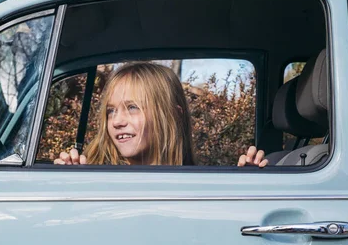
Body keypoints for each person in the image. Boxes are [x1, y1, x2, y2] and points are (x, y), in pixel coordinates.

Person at [54, 62, 268, 168]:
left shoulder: (202, 188)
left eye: (133, 107)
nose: (117, 122)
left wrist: (247, 183)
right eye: (111, 111)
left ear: (173, 116)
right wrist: (70, 185)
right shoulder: (97, 178)